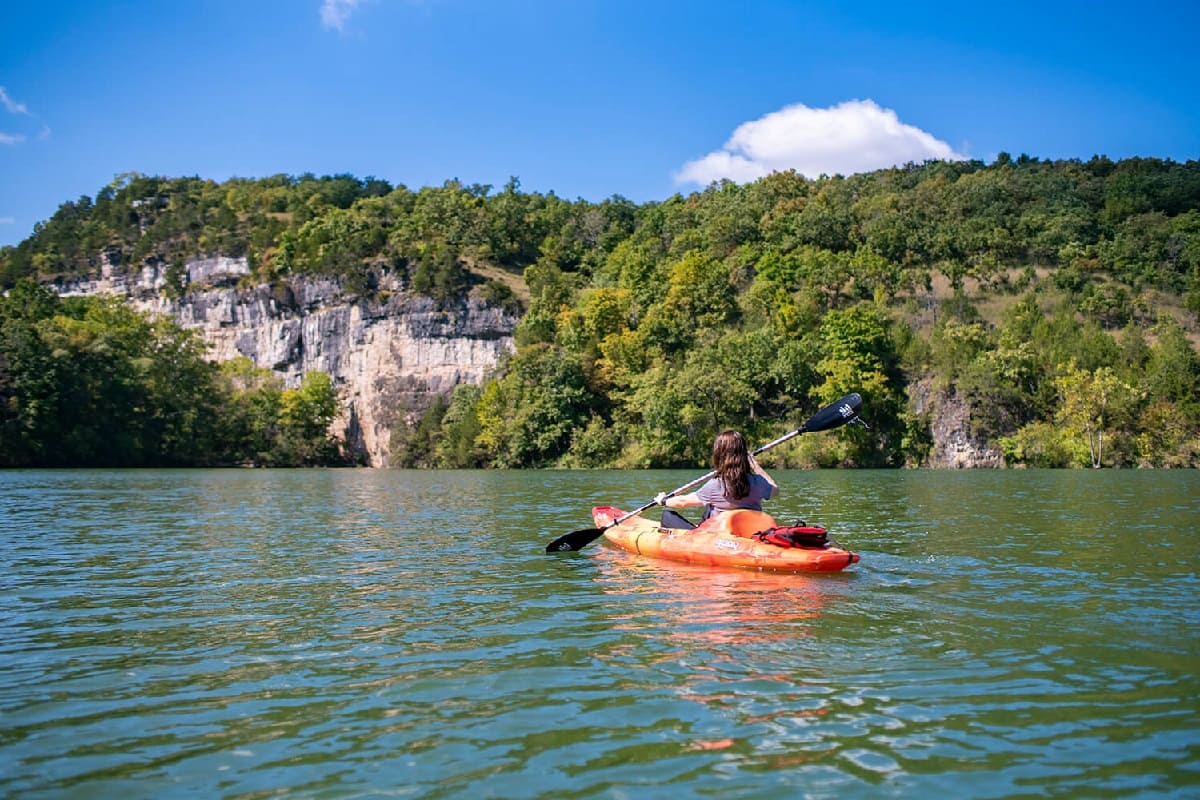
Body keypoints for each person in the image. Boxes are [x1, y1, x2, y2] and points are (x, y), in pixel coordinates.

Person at [656, 430, 778, 521]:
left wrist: (664, 500)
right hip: (747, 533)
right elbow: (775, 489)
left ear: (719, 455)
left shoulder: (716, 485)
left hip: (718, 536)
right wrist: (756, 466)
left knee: (668, 516)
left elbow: (682, 502)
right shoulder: (758, 482)